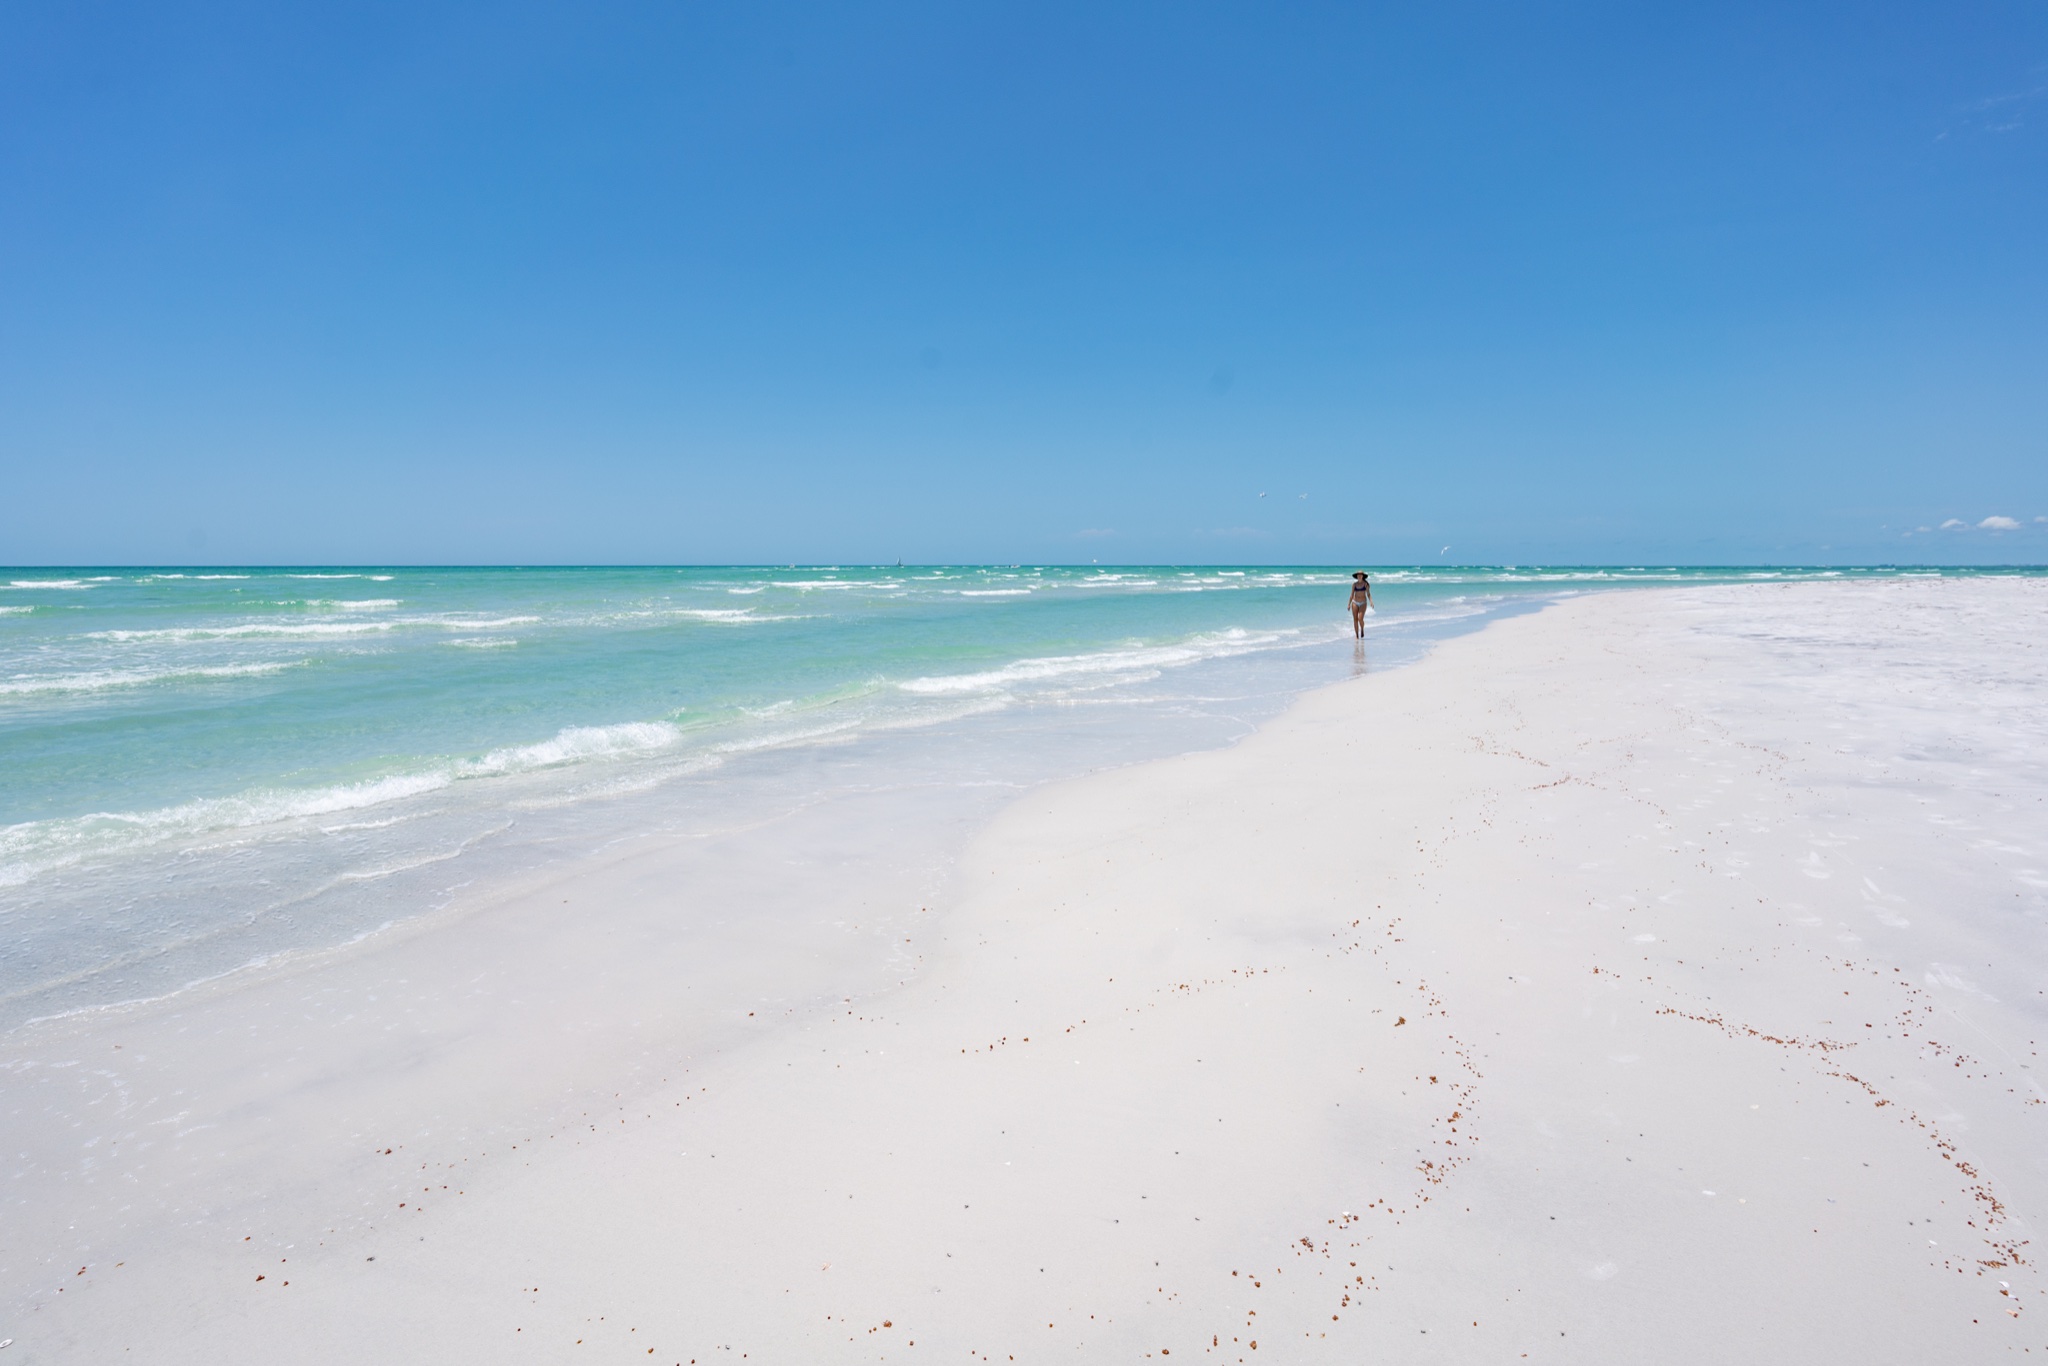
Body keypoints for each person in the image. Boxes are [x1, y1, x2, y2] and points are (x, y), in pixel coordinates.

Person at [1347, 571, 1373, 638]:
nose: (1359, 576)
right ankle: (1357, 636)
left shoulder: (1365, 584)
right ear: (1357, 576)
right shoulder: (1354, 585)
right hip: (1355, 602)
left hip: (1363, 603)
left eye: (1360, 575)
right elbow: (1351, 595)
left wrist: (1371, 602)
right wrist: (1348, 604)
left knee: (1360, 619)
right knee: (1355, 619)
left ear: (1362, 576)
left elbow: (1368, 594)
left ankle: (1362, 629)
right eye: (1358, 575)